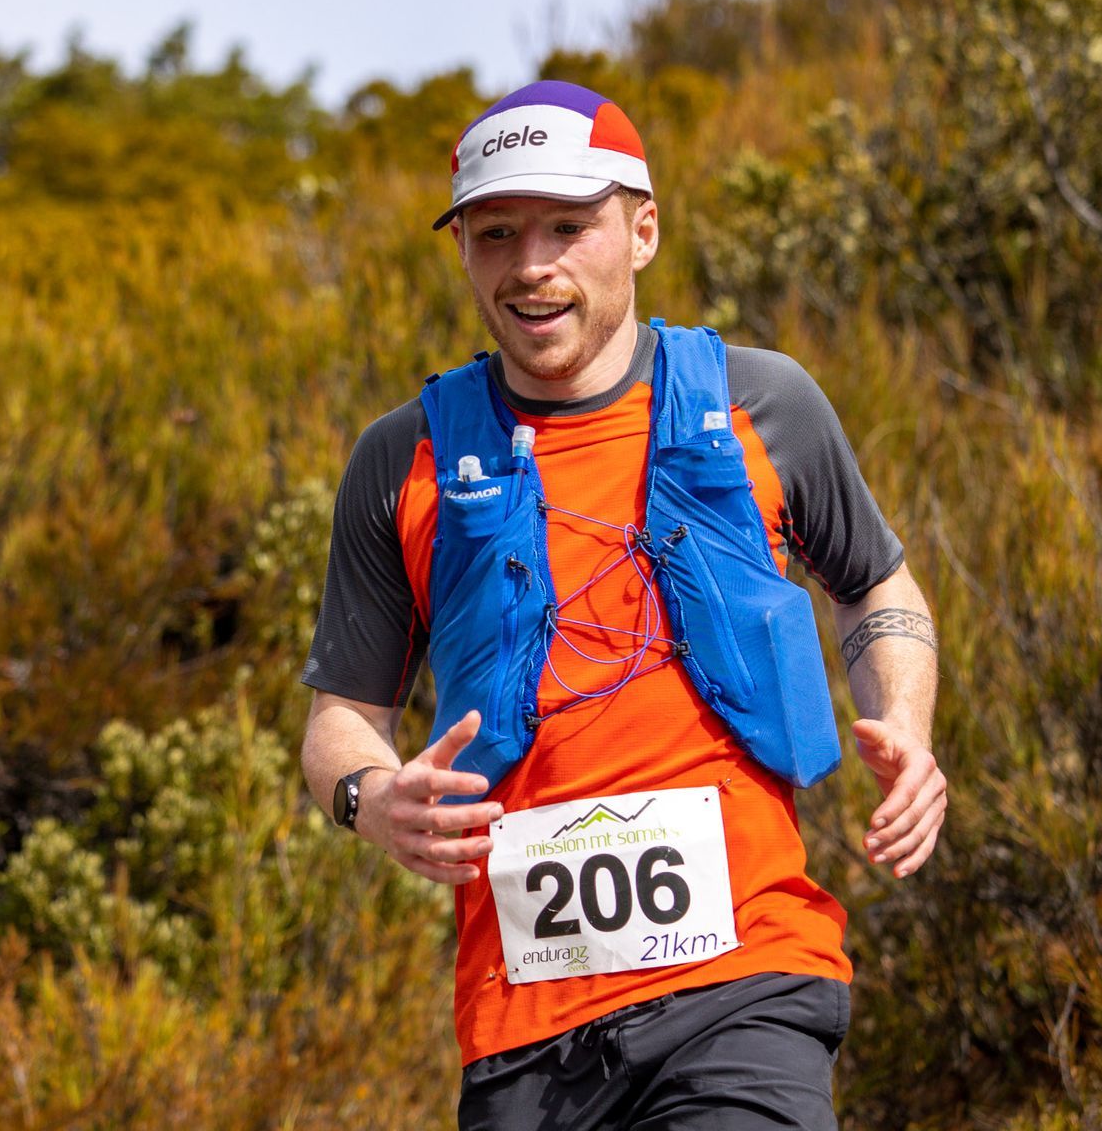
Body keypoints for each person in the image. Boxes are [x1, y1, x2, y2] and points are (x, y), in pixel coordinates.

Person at [298, 80, 946, 1129]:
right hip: (523, 1035)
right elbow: (341, 719)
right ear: (463, 250)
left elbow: (874, 580)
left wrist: (907, 728)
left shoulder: (763, 401)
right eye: (497, 232)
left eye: (568, 225)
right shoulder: (400, 459)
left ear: (642, 231)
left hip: (746, 983)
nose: (531, 264)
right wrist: (370, 799)